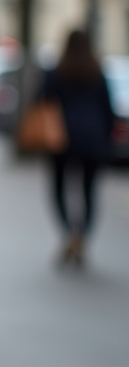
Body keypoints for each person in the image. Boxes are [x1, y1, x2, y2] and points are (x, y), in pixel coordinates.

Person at [41, 29, 116, 265]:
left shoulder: (56, 72)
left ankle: (68, 233)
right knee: (89, 192)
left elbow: (42, 103)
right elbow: (108, 110)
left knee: (58, 189)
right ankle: (81, 237)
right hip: (92, 139)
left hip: (61, 139)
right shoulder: (97, 72)